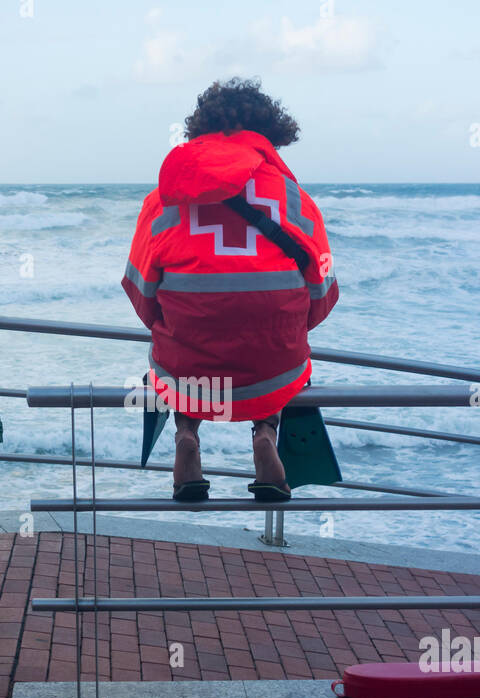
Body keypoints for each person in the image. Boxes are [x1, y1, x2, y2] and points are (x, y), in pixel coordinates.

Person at [121, 78, 339, 502]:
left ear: (199, 131)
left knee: (168, 353)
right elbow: (321, 298)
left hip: (192, 383)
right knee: (288, 359)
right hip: (272, 378)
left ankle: (187, 437)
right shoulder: (298, 200)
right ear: (270, 134)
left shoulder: (162, 200)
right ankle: (264, 435)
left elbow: (142, 297)